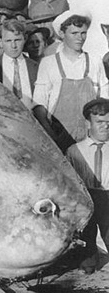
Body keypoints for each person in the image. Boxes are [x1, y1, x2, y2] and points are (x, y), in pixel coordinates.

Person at [33, 12, 108, 152]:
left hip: (89, 137)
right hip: (58, 134)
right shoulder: (48, 63)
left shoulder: (95, 61)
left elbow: (105, 99)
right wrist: (50, 135)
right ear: (62, 33)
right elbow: (39, 105)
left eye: (83, 33)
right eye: (74, 33)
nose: (80, 38)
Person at [66, 98, 109, 274]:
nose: (105, 126)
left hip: (108, 196)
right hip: (86, 197)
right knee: (86, 234)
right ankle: (88, 261)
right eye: (99, 122)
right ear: (88, 123)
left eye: (108, 123)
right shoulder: (74, 151)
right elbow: (69, 181)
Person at [0, 20, 39, 107]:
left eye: (17, 40)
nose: (13, 46)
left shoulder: (36, 67)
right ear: (0, 41)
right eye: (8, 41)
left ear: (25, 39)